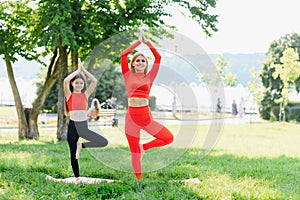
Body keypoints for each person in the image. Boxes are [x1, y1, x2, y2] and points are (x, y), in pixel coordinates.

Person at [120, 30, 174, 179]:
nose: (140, 62)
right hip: (131, 117)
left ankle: (144, 148)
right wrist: (138, 42)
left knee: (168, 138)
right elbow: (123, 55)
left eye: (143, 61)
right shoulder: (127, 75)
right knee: (133, 151)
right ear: (133, 64)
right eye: (137, 60)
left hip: (145, 117)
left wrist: (147, 42)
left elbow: (158, 57)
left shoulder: (149, 76)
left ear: (146, 64)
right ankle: (139, 180)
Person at [64, 59, 108, 182]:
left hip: (83, 127)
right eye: (76, 83)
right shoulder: (69, 95)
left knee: (103, 142)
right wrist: (77, 71)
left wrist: (84, 71)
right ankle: (77, 178)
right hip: (73, 127)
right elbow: (65, 80)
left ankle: (81, 145)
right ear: (73, 84)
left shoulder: (86, 95)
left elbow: (94, 81)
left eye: (81, 83)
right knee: (73, 154)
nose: (79, 85)